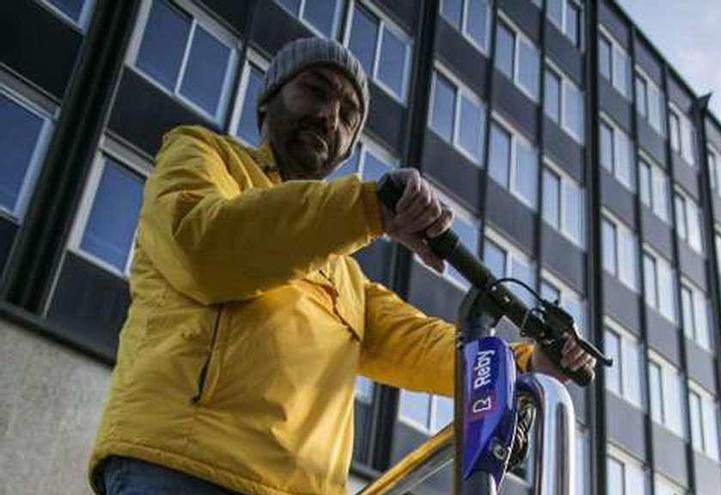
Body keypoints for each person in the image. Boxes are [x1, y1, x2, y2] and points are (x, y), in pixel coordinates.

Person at [88, 37, 596, 495]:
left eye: (349, 113)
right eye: (316, 90)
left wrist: (527, 362)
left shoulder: (343, 272)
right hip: (185, 465)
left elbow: (422, 346)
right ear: (268, 102)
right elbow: (202, 248)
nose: (332, 115)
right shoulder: (203, 155)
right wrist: (369, 207)